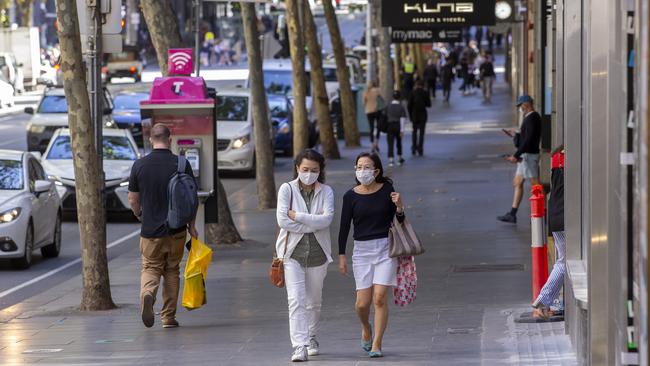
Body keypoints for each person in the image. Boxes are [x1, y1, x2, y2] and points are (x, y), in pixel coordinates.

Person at [127, 124, 198, 329]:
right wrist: (191, 227)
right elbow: (191, 199)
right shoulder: (182, 164)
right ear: (169, 139)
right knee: (172, 271)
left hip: (150, 232)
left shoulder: (139, 165)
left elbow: (133, 199)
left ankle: (148, 294)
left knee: (150, 267)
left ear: (150, 140)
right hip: (176, 230)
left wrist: (139, 214)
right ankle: (168, 317)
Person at [338, 152, 405, 358]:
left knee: (379, 298)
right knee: (362, 304)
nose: (363, 171)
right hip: (362, 252)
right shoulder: (350, 196)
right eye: (359, 167)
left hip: (385, 249)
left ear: (376, 171)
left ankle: (377, 343)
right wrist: (342, 255)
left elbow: (399, 221)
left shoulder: (387, 190)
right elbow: (343, 227)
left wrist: (400, 206)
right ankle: (366, 327)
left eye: (367, 167)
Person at [276, 149, 335, 362]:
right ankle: (299, 346)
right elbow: (283, 221)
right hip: (292, 254)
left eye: (314, 170)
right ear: (297, 168)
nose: (309, 173)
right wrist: (312, 222)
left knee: (314, 302)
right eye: (305, 169)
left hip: (319, 253)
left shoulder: (326, 191)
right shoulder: (286, 190)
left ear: (320, 171)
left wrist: (298, 217)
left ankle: (312, 336)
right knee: (296, 301)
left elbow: (326, 220)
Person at [498, 95, 542, 223]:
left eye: (521, 105)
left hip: (528, 156)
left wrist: (516, 155)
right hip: (526, 155)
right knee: (517, 182)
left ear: (526, 104)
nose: (520, 108)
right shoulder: (531, 118)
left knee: (536, 185)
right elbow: (527, 137)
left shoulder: (532, 118)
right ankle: (512, 213)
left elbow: (528, 140)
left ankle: (542, 213)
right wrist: (516, 135)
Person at [532, 147, 565, 320]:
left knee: (563, 259)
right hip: (565, 216)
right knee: (564, 261)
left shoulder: (556, 161)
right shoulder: (569, 163)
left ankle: (555, 302)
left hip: (556, 214)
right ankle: (544, 300)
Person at [407, 79, 431, 156]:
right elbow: (429, 104)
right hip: (423, 115)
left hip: (414, 115)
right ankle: (420, 148)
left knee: (414, 132)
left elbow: (409, 106)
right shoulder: (425, 93)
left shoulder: (412, 93)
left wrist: (410, 115)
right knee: (421, 133)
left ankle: (414, 147)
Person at [385, 90, 407, 166]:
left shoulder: (388, 106)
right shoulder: (401, 107)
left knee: (390, 143)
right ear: (399, 97)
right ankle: (399, 158)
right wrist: (402, 130)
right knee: (399, 142)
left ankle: (391, 160)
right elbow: (403, 119)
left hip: (390, 126)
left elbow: (385, 116)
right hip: (398, 125)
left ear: (393, 97)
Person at [363, 81, 383, 153]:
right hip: (377, 110)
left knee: (371, 128)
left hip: (368, 111)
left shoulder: (366, 91)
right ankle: (376, 143)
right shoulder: (377, 90)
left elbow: (364, 102)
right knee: (378, 127)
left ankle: (372, 145)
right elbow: (382, 99)